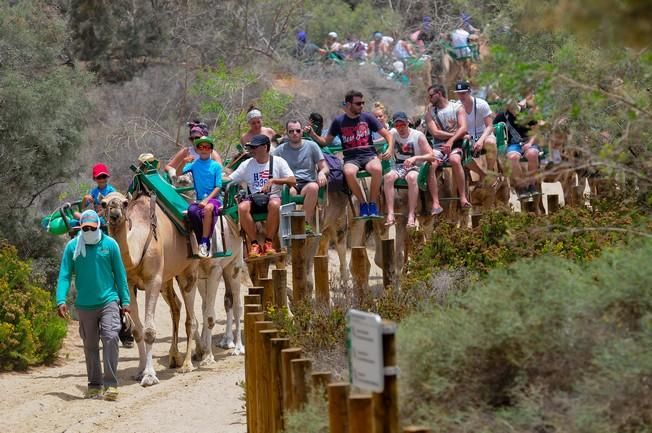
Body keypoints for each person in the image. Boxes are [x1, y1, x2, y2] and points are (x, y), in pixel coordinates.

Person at [56, 210, 130, 401]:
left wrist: (126, 301)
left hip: (109, 301)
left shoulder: (110, 245)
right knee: (90, 346)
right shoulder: (73, 247)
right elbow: (64, 275)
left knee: (111, 337)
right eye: (85, 228)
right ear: (81, 228)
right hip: (85, 305)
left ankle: (111, 385)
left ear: (98, 226)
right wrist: (61, 300)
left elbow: (120, 275)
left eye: (92, 228)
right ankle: (95, 385)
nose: (89, 231)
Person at [307, 90, 393, 218]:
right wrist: (313, 134)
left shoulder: (367, 117)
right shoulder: (339, 121)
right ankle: (363, 203)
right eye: (358, 103)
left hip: (368, 155)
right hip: (351, 158)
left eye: (363, 103)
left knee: (377, 169)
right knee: (349, 173)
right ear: (348, 104)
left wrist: (390, 149)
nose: (361, 106)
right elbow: (325, 142)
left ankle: (373, 203)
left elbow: (388, 134)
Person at [227, 134, 295, 257]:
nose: (252, 150)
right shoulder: (246, 164)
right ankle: (254, 244)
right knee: (242, 207)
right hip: (254, 198)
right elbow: (230, 179)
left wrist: (274, 181)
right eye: (251, 147)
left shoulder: (278, 162)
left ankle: (269, 242)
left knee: (274, 204)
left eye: (255, 147)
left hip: (272, 196)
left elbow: (292, 180)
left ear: (264, 147)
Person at [272, 120, 328, 232]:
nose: (295, 133)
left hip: (307, 182)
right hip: (290, 182)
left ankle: (303, 223)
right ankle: (288, 224)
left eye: (297, 130)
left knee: (313, 188)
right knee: (288, 192)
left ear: (302, 131)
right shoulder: (280, 150)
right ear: (287, 133)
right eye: (291, 131)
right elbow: (269, 165)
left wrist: (322, 173)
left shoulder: (312, 146)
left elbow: (324, 167)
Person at [384, 112, 437, 228]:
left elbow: (432, 156)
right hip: (399, 166)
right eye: (397, 125)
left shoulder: (418, 135)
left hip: (415, 166)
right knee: (388, 177)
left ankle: (411, 214)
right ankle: (390, 213)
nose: (400, 128)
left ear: (408, 123)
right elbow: (381, 139)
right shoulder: (392, 133)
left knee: (412, 178)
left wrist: (416, 158)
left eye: (402, 124)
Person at [425, 83, 472, 209]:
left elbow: (463, 128)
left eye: (431, 96)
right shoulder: (429, 113)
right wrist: (455, 135)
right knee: (430, 163)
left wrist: (451, 140)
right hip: (439, 145)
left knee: (455, 160)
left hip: (456, 144)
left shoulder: (457, 108)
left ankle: (462, 197)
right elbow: (435, 133)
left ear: (439, 94)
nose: (429, 99)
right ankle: (435, 202)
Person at [182, 135, 223, 257]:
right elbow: (178, 173)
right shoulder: (194, 164)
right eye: (201, 147)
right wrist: (183, 162)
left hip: (214, 199)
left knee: (208, 208)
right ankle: (202, 242)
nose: (204, 149)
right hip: (199, 199)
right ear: (198, 150)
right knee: (192, 211)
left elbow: (218, 186)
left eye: (207, 147)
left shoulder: (216, 166)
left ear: (211, 150)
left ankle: (205, 241)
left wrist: (207, 200)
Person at [494, 97, 541, 197]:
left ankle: (532, 185)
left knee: (533, 154)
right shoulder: (503, 115)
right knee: (512, 158)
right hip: (513, 144)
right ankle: (522, 186)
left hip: (528, 142)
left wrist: (530, 143)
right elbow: (493, 126)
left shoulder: (527, 114)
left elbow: (536, 130)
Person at [454, 80, 498, 181]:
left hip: (484, 134)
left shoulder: (481, 104)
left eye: (463, 93)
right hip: (467, 137)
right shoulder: (455, 107)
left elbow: (490, 126)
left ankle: (490, 172)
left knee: (490, 142)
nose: (461, 96)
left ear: (469, 92)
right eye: (458, 93)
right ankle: (481, 174)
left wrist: (481, 140)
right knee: (458, 153)